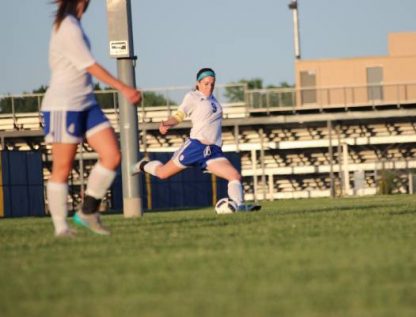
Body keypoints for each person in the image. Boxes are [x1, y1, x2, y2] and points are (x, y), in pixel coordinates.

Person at [42, 0, 141, 237]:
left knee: (112, 156)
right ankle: (61, 228)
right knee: (62, 168)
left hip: (87, 103)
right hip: (64, 106)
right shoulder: (66, 26)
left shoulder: (74, 23)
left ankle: (87, 211)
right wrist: (124, 88)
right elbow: (90, 66)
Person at [132, 68, 260, 212]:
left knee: (234, 176)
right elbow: (180, 115)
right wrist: (167, 123)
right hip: (196, 147)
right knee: (162, 174)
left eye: (212, 83)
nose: (209, 87)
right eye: (206, 83)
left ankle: (240, 207)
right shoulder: (192, 96)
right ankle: (142, 165)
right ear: (198, 83)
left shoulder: (215, 101)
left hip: (213, 151)